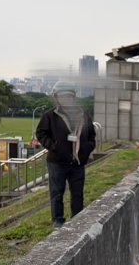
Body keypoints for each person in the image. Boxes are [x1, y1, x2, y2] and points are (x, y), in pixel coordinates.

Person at [36, 84, 96, 228]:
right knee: (57, 192)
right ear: (57, 98)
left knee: (77, 193)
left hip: (78, 161)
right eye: (62, 97)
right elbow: (41, 133)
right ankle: (58, 220)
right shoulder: (50, 116)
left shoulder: (83, 114)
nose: (66, 99)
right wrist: (54, 146)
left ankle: (77, 220)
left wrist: (87, 148)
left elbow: (92, 135)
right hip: (57, 162)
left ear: (73, 97)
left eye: (68, 96)